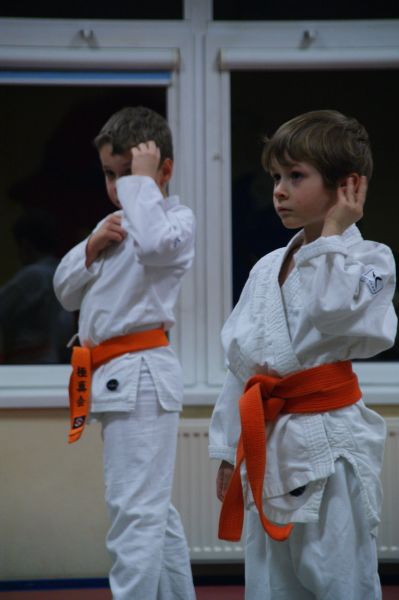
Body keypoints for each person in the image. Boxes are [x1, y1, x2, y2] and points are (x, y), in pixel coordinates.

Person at [209, 109, 397, 600]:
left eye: (296, 176)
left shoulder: (371, 259)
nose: (279, 190)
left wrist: (334, 234)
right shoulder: (268, 266)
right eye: (276, 176)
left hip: (330, 445)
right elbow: (241, 365)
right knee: (271, 582)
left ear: (347, 185)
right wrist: (228, 450)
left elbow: (335, 313)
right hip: (266, 441)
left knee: (339, 579)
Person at [53, 106, 196, 600]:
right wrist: (90, 248)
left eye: (126, 174)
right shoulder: (111, 224)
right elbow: (65, 293)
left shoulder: (176, 220)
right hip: (114, 376)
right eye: (110, 176)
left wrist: (142, 183)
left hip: (141, 377)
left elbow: (154, 245)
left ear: (164, 171)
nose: (117, 187)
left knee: (134, 513)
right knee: (152, 511)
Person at [0, 211, 75, 364]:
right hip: (55, 356)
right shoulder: (61, 270)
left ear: (25, 245)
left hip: (28, 358)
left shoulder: (34, 276)